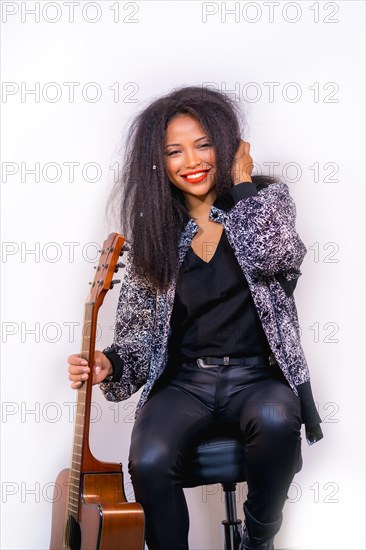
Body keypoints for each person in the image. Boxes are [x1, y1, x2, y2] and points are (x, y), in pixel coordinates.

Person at [67, 86, 323, 550]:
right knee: (148, 461)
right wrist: (111, 364)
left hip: (256, 376)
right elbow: (137, 338)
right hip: (185, 384)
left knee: (275, 417)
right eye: (174, 151)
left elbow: (278, 258)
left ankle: (257, 538)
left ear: (226, 143)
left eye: (203, 144)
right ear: (158, 162)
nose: (192, 160)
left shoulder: (263, 199)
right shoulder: (155, 233)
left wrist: (242, 181)